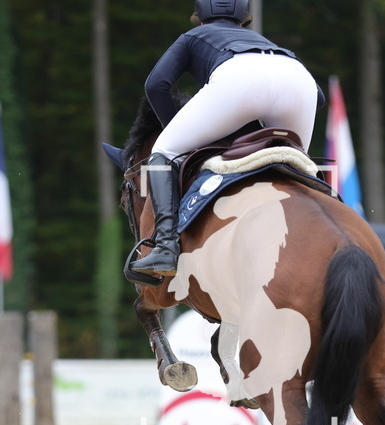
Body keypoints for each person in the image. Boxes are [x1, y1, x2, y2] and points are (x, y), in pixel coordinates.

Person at [130, 0, 323, 278]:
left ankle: (165, 247)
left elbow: (156, 84)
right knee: (299, 166)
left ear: (200, 17)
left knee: (165, 149)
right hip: (298, 82)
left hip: (238, 79)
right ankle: (328, 215)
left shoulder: (193, 36)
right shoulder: (266, 41)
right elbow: (318, 97)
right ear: (244, 20)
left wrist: (175, 129)